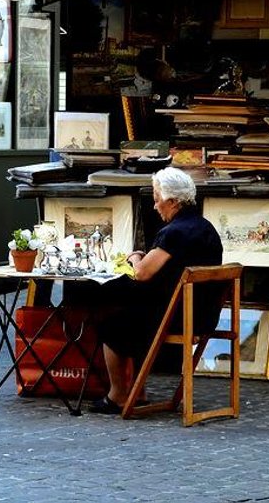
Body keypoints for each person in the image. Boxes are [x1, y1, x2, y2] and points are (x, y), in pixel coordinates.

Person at [86, 167, 223, 414]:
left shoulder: (174, 232)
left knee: (111, 322)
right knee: (132, 312)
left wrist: (135, 256)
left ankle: (118, 395)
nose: (155, 205)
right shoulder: (206, 228)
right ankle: (138, 391)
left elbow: (142, 273)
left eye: (157, 199)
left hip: (175, 317)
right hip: (203, 315)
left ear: (172, 201)